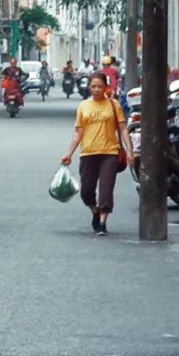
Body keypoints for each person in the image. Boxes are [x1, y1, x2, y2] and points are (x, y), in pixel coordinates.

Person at [59, 70, 134, 234]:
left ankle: (102, 223)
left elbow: (122, 128)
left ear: (106, 87)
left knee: (106, 190)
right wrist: (68, 153)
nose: (96, 89)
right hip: (88, 153)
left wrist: (129, 150)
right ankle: (95, 211)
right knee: (86, 191)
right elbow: (78, 133)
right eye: (93, 86)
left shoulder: (113, 105)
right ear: (89, 87)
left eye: (100, 86)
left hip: (110, 153)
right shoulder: (83, 106)